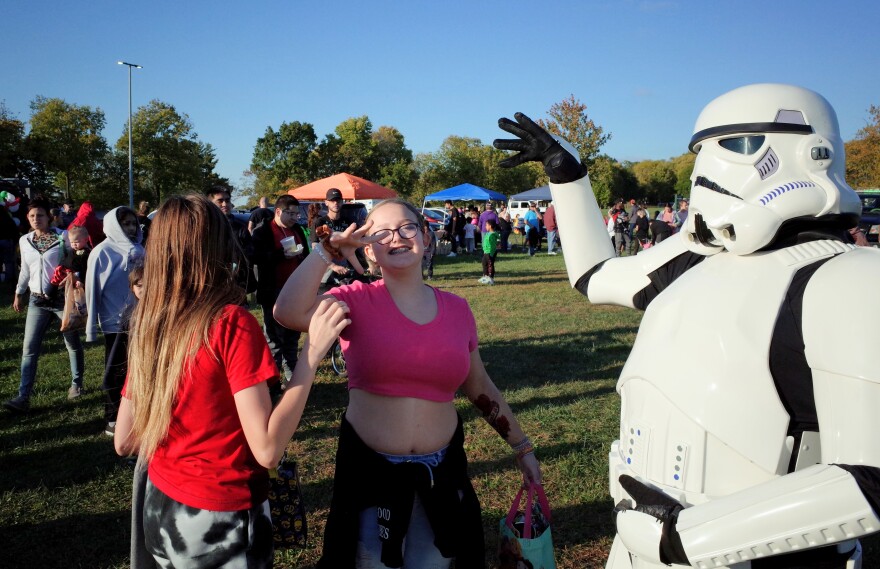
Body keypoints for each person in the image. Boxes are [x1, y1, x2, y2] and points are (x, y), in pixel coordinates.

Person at [495, 84, 880, 569]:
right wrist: (566, 175)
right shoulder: (694, 259)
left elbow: (867, 480)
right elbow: (595, 276)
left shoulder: (850, 279)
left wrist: (681, 538)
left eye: (737, 145)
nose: (708, 168)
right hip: (640, 542)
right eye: (701, 150)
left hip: (754, 555)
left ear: (812, 151)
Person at [274, 198, 542, 568]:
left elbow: (478, 383)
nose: (396, 237)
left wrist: (522, 447)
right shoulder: (353, 301)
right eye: (380, 232)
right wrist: (326, 250)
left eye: (407, 227)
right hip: (371, 478)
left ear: (426, 237)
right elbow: (286, 311)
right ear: (369, 250)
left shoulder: (457, 309)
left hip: (441, 476)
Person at [114, 194, 350, 568]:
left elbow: (124, 440)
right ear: (220, 247)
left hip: (160, 506)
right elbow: (268, 449)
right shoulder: (230, 324)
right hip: (219, 517)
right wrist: (311, 354)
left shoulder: (148, 321)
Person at [4, 197, 84, 412]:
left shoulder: (63, 237)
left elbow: (76, 260)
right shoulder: (25, 240)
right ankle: (23, 396)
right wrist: (18, 293)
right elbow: (25, 270)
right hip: (37, 300)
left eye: (39, 215)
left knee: (72, 343)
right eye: (31, 216)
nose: (35, 219)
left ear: (48, 217)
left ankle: (76, 384)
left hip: (61, 299)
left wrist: (73, 274)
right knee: (29, 348)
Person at [86, 206, 144, 435]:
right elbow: (93, 289)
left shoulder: (141, 250)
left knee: (138, 368)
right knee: (115, 369)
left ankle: (135, 412)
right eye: (125, 224)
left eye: (133, 224)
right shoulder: (102, 252)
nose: (130, 228)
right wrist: (92, 326)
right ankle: (112, 416)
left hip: (140, 321)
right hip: (115, 323)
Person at [252, 194, 309, 382]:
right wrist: (280, 255)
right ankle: (273, 380)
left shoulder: (298, 230)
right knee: (274, 338)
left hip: (295, 290)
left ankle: (292, 377)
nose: (295, 217)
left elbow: (306, 255)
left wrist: (301, 257)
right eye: (291, 213)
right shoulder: (263, 231)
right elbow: (255, 257)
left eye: (297, 213)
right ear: (278, 211)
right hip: (272, 291)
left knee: (292, 335)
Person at [206, 186, 257, 295]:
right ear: (210, 204)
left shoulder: (240, 227)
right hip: (212, 286)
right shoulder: (205, 227)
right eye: (220, 201)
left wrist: (237, 262)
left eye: (227, 200)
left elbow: (251, 253)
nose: (225, 204)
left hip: (238, 285)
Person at [37, 223, 91, 308]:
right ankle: (48, 296)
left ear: (85, 240)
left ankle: (78, 306)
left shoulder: (86, 253)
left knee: (75, 291)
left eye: (77, 242)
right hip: (66, 270)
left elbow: (85, 268)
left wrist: (80, 279)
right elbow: (67, 260)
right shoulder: (72, 251)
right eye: (72, 242)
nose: (74, 244)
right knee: (55, 280)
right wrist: (62, 267)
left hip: (77, 274)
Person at [480, 219, 499, 285]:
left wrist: (491, 253)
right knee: (484, 263)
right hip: (486, 252)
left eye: (486, 225)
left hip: (490, 252)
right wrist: (485, 251)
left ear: (490, 226)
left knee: (490, 265)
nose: (485, 226)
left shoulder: (492, 235)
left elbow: (493, 245)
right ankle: (485, 276)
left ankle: (491, 278)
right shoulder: (488, 233)